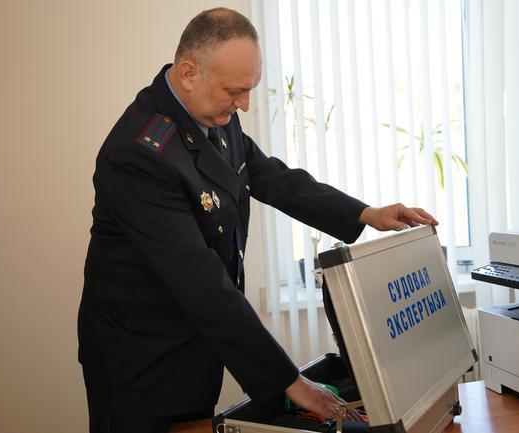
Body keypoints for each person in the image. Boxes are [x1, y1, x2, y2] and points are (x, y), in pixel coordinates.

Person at [77, 7, 438, 433]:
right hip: (139, 362)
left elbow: (272, 177)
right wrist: (291, 382)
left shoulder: (212, 113)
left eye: (249, 89)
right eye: (235, 91)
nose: (244, 104)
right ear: (189, 73)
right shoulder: (139, 155)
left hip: (196, 344)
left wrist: (365, 213)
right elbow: (202, 283)